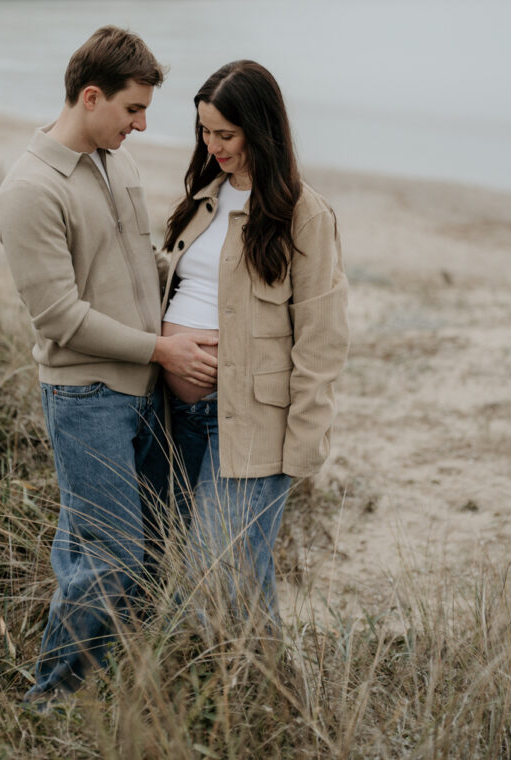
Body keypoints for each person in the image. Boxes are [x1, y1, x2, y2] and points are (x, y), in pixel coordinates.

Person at [0, 26, 218, 702]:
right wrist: (163, 348)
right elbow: (58, 318)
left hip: (147, 390)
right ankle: (50, 705)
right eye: (132, 109)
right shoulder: (29, 191)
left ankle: (115, 689)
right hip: (85, 398)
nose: (143, 125)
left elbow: (143, 266)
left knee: (146, 547)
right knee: (109, 555)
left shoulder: (116, 163)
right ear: (90, 97)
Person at [161, 60, 349, 627]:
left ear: (260, 130)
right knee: (237, 579)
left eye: (226, 134)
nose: (211, 145)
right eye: (203, 131)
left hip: (248, 422)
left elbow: (322, 339)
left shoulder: (304, 215)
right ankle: (269, 695)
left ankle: (229, 696)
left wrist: (303, 446)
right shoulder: (203, 197)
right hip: (176, 414)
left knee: (211, 576)